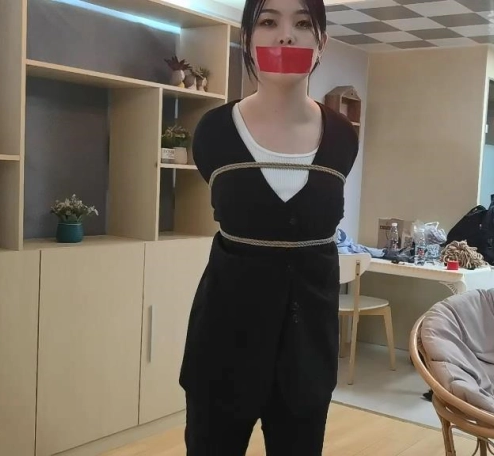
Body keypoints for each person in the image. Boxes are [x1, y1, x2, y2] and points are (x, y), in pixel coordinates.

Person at [177, 0, 359, 452]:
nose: (285, 35)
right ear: (247, 37)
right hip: (222, 345)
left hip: (308, 351)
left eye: (303, 23)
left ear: (321, 42)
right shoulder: (214, 132)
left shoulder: (342, 137)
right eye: (268, 21)